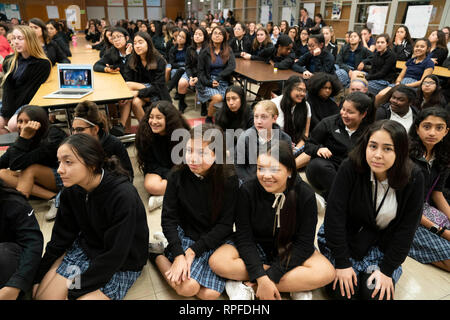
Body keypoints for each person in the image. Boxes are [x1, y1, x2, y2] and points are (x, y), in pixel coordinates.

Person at [210, 141, 335, 300]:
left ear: (289, 170)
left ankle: (250, 285)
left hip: (289, 248)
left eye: (274, 169)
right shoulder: (247, 190)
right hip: (255, 244)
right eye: (261, 168)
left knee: (326, 272)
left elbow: (303, 243)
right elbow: (244, 237)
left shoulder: (305, 195)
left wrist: (269, 277)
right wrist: (261, 276)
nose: (266, 175)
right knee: (217, 261)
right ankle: (293, 284)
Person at [32, 134, 149, 300]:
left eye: (68, 162)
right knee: (41, 296)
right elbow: (60, 238)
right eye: (59, 162)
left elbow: (115, 255)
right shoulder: (71, 191)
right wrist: (39, 275)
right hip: (87, 249)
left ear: (92, 164)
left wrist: (74, 291)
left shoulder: (123, 196)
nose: (59, 169)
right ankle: (61, 265)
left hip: (122, 263)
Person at [318, 119, 424, 300]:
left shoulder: (413, 177)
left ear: (400, 150)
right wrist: (342, 264)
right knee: (344, 294)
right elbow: (334, 217)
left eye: (387, 148)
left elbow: (407, 229)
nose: (377, 155)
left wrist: (387, 270)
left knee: (375, 294)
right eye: (373, 146)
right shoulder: (350, 167)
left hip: (381, 247)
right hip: (345, 241)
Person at [152, 124, 239, 300]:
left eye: (202, 153)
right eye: (189, 150)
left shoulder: (229, 178)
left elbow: (226, 224)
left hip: (214, 240)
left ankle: (175, 259)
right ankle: (156, 256)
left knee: (210, 295)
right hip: (187, 234)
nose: (193, 158)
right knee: (188, 288)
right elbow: (168, 218)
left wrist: (191, 252)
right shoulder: (177, 175)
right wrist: (178, 254)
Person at [301, 92, 375, 198]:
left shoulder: (371, 130)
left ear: (363, 114)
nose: (344, 114)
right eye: (343, 109)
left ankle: (336, 197)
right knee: (318, 165)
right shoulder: (329, 123)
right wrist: (318, 149)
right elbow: (309, 145)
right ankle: (344, 197)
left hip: (352, 171)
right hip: (327, 169)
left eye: (350, 112)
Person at [408, 107, 450, 272]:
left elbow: (436, 193)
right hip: (403, 213)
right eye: (427, 126)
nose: (432, 132)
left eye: (439, 128)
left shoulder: (442, 156)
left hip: (424, 210)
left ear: (446, 131)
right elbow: (406, 204)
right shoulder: (407, 155)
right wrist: (442, 232)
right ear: (417, 128)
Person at [0, 106, 67, 202]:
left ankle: (21, 208)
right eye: (20, 121)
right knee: (2, 173)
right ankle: (54, 198)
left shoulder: (53, 136)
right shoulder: (23, 138)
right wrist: (22, 140)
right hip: (38, 179)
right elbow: (4, 161)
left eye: (27, 122)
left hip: (63, 177)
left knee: (30, 169)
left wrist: (23, 139)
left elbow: (16, 164)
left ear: (38, 123)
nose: (22, 126)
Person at [135, 101, 190, 212]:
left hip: (178, 169)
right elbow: (150, 163)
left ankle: (162, 198)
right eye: (151, 117)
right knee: (151, 186)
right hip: (157, 169)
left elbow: (184, 163)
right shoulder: (144, 133)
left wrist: (174, 176)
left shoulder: (181, 133)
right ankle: (179, 194)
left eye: (159, 117)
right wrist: (169, 176)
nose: (154, 122)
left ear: (169, 119)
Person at [0, 26, 51, 134]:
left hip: (30, 102)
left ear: (30, 40)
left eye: (20, 38)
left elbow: (29, 92)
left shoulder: (42, 64)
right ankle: (14, 145)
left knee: (13, 124)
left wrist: (13, 114)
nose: (15, 42)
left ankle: (22, 142)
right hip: (11, 102)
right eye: (13, 38)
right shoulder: (9, 60)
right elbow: (7, 88)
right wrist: (7, 111)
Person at [0, 179, 43, 300]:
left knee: (4, 252)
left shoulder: (14, 203)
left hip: (15, 266)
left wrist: (15, 285)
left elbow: (33, 245)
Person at [234, 100, 292, 183]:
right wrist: (249, 182)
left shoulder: (285, 139)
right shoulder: (245, 137)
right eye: (256, 116)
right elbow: (239, 166)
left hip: (275, 181)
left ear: (274, 118)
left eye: (264, 117)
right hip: (251, 181)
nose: (259, 121)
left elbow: (287, 167)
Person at [122, 31, 170, 125]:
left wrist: (138, 92)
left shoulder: (159, 60)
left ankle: (122, 124)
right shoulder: (133, 59)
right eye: (135, 43)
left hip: (157, 93)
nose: (137, 46)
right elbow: (127, 78)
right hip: (144, 94)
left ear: (148, 43)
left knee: (128, 87)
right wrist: (128, 57)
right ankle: (146, 128)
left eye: (140, 42)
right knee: (135, 102)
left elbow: (158, 86)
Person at [197, 26, 236, 124]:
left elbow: (231, 67)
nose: (217, 35)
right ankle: (209, 117)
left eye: (220, 34)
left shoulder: (228, 50)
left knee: (233, 96)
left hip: (223, 80)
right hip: (207, 81)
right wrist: (210, 82)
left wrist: (219, 78)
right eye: (215, 33)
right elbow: (200, 72)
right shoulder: (204, 52)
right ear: (211, 36)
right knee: (218, 98)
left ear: (224, 37)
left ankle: (226, 118)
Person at [271, 76, 311, 153]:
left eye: (304, 91)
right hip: (276, 146)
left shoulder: (306, 106)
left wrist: (295, 150)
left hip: (297, 147)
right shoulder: (274, 104)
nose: (302, 94)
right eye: (299, 90)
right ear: (288, 89)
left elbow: (305, 134)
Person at [178, 27, 209, 114]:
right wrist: (191, 77)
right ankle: (182, 103)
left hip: (203, 74)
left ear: (205, 37)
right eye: (195, 34)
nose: (197, 36)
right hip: (191, 72)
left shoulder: (208, 49)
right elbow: (187, 66)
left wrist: (198, 78)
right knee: (181, 83)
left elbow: (208, 68)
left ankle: (203, 105)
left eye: (200, 35)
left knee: (201, 83)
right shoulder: (189, 49)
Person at [257, 35, 295, 99]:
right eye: (287, 49)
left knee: (268, 85)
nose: (289, 51)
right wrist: (267, 60)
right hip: (271, 76)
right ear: (279, 46)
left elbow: (283, 65)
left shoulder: (291, 54)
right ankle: (260, 101)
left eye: (290, 49)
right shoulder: (272, 50)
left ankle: (258, 100)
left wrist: (273, 64)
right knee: (267, 84)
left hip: (284, 80)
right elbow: (260, 54)